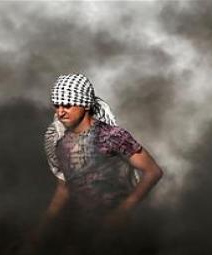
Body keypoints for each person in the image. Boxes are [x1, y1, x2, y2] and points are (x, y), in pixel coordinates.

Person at [42, 74, 163, 225]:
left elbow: (153, 172)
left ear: (85, 104)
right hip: (81, 226)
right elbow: (64, 189)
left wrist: (124, 210)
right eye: (57, 105)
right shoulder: (61, 143)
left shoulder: (112, 135)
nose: (60, 112)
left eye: (67, 105)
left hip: (119, 228)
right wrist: (41, 230)